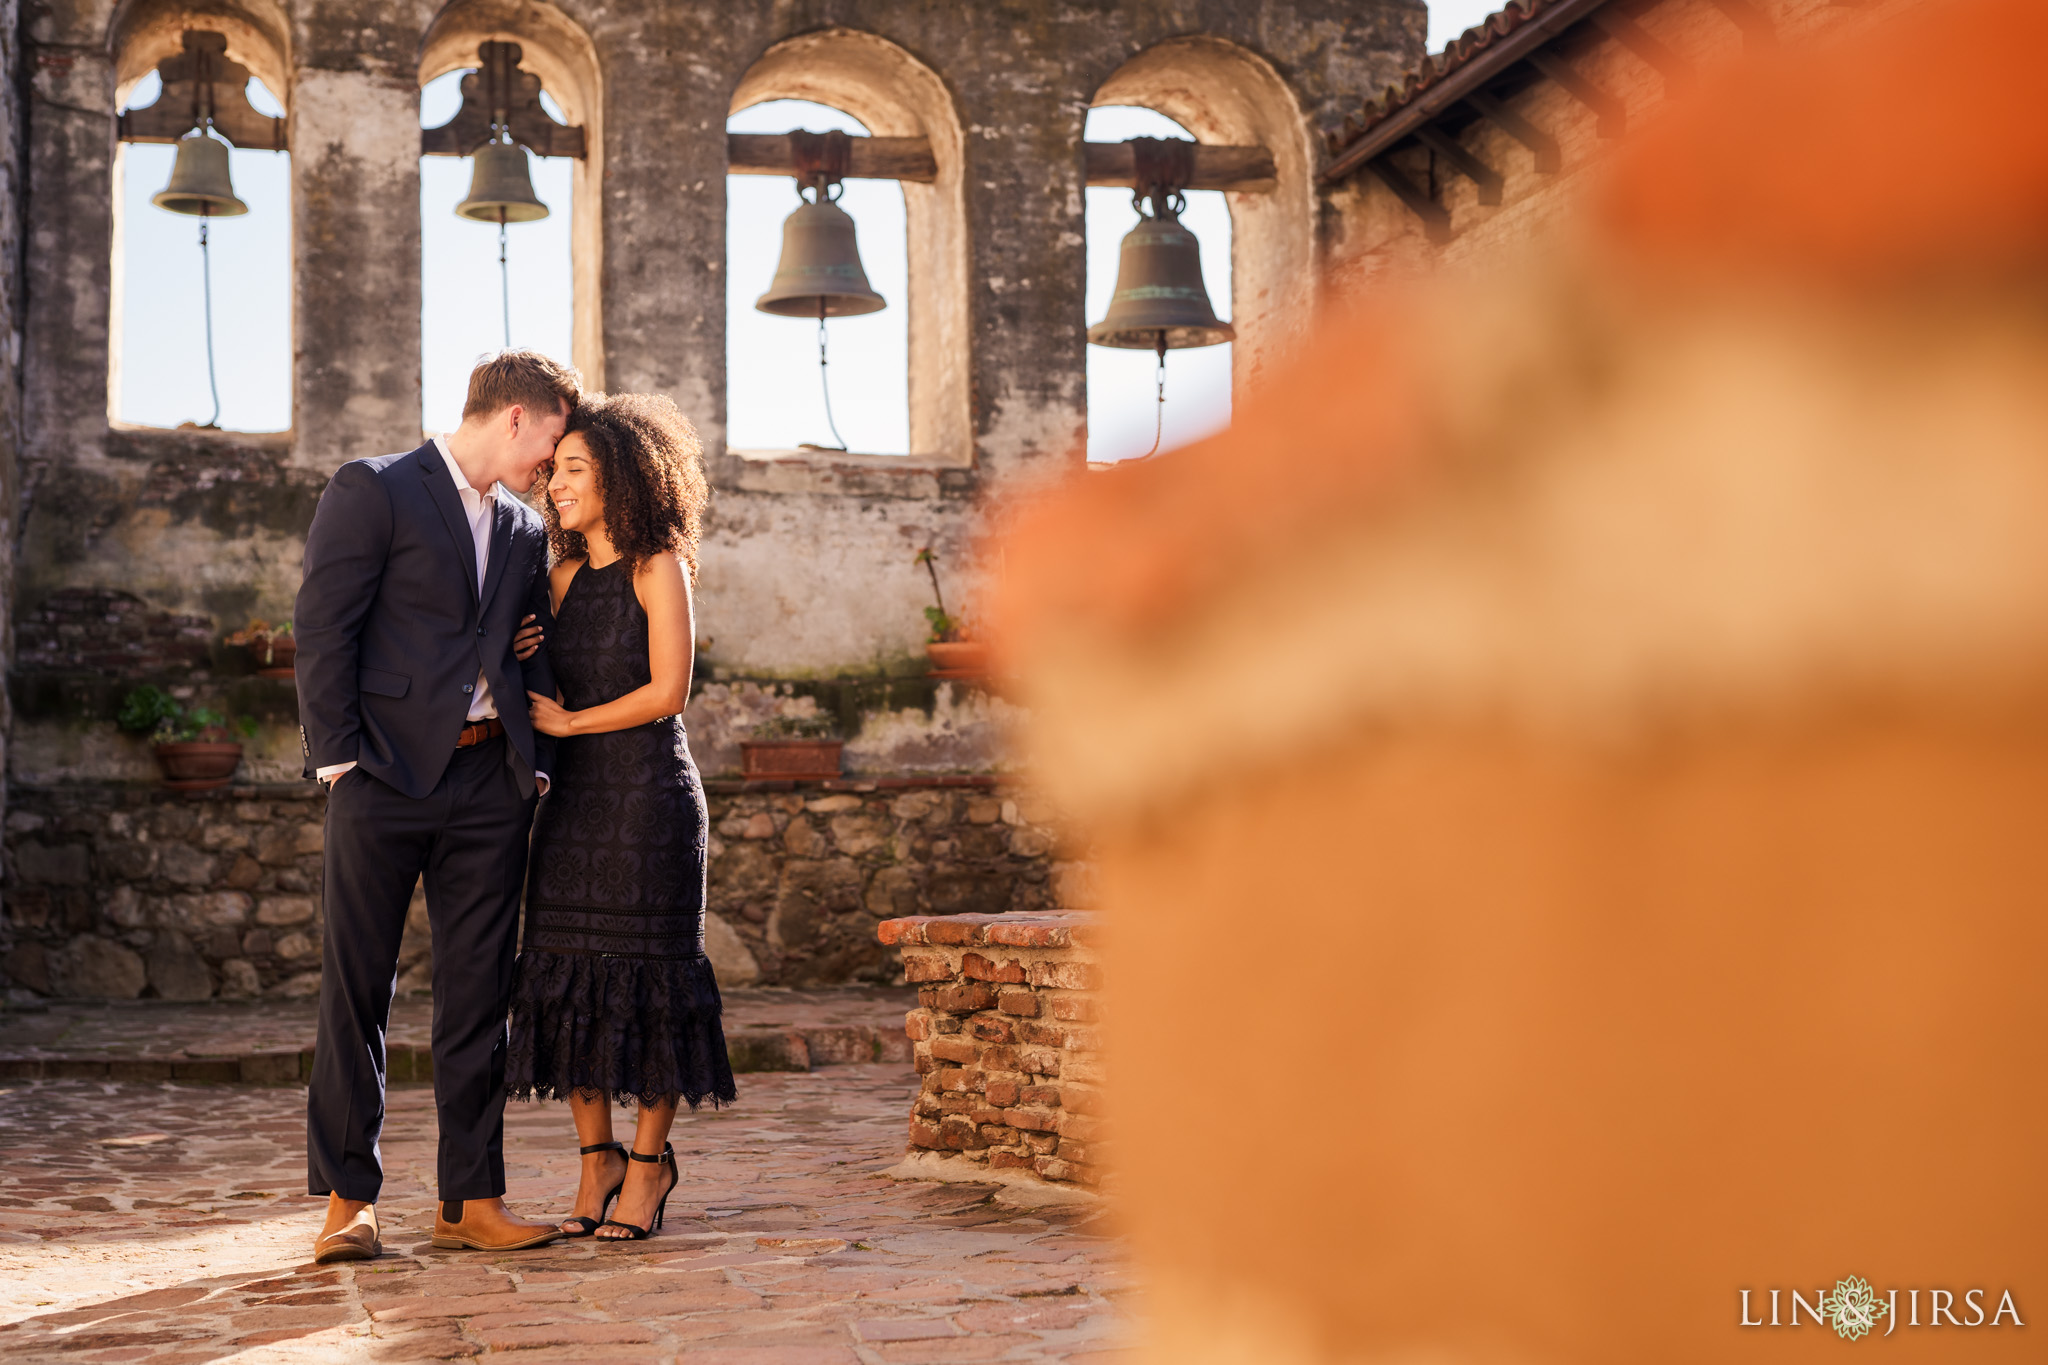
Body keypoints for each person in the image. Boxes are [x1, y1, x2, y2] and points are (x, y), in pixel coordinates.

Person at [295, 351, 580, 1263]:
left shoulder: (528, 530)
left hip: (487, 784)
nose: (553, 457)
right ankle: (348, 1203)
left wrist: (528, 770)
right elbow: (323, 625)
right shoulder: (373, 487)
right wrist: (339, 761)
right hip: (378, 779)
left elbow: (523, 639)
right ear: (514, 418)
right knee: (356, 991)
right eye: (551, 438)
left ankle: (471, 1199)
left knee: (479, 995)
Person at [504, 392, 737, 1241]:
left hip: (648, 799)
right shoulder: (557, 577)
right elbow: (535, 681)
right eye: (555, 469)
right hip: (571, 803)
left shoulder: (657, 564)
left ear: (623, 478)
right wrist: (527, 660)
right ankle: (593, 1157)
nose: (556, 483)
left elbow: (667, 691)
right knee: (567, 968)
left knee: (651, 976)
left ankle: (648, 1168)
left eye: (574, 470)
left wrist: (567, 721)